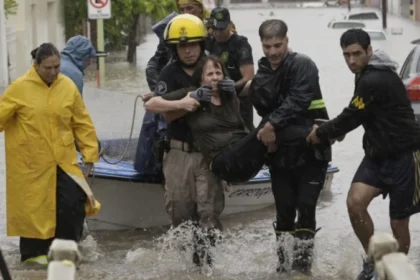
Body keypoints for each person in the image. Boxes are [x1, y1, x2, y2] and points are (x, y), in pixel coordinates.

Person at [307, 29, 420, 280]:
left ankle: (395, 273)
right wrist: (337, 130)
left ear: (369, 51)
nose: (351, 61)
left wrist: (322, 132)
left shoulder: (375, 79)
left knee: (398, 223)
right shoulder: (364, 74)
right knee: (355, 204)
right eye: (346, 55)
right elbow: (359, 114)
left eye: (356, 54)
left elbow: (351, 116)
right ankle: (373, 262)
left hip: (405, 156)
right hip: (377, 155)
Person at [0, 43, 101, 265]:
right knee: (34, 210)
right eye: (48, 68)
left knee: (73, 203)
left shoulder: (67, 86)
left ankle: (67, 254)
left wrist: (90, 155)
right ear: (36, 65)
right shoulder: (19, 88)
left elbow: (81, 122)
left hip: (63, 160)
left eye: (57, 66)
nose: (54, 72)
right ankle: (33, 260)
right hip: (31, 163)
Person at [249, 19, 332, 276]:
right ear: (261, 44)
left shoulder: (303, 65)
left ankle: (303, 268)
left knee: (306, 207)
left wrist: (271, 125)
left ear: (287, 40)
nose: (273, 52)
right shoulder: (262, 73)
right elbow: (261, 107)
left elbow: (298, 100)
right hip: (280, 154)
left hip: (311, 151)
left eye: (278, 45)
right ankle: (283, 267)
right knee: (284, 211)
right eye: (267, 46)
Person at [143, 14, 224, 270]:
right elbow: (159, 107)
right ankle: (183, 269)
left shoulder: (212, 68)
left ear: (201, 44)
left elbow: (232, 105)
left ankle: (206, 267)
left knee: (208, 214)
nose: (188, 50)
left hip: (208, 154)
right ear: (174, 48)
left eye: (192, 45)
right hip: (178, 152)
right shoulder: (169, 72)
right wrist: (184, 103)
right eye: (182, 45)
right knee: (179, 213)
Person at [145, 0, 211, 92]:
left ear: (200, 8)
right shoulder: (173, 30)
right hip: (177, 84)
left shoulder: (213, 27)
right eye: (182, 10)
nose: (186, 13)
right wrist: (158, 91)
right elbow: (152, 66)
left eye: (189, 8)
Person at [207, 7, 255, 131]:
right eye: (215, 29)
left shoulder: (240, 45)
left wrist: (232, 86)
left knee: (244, 132)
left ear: (230, 24)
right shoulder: (209, 42)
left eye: (222, 29)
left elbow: (249, 77)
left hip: (239, 99)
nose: (218, 33)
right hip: (215, 98)